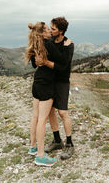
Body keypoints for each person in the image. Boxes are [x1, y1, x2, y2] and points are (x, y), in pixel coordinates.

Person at [24, 21, 67, 167]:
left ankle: (33, 147)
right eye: (47, 29)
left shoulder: (35, 44)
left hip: (37, 82)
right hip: (47, 84)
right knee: (42, 120)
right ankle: (41, 156)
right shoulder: (48, 44)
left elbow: (34, 65)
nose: (49, 31)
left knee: (35, 116)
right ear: (42, 33)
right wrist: (65, 46)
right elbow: (62, 62)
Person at [35, 17, 75, 160]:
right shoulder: (50, 42)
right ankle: (57, 140)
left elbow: (63, 67)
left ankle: (69, 143)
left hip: (62, 82)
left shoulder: (68, 45)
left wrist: (45, 62)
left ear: (61, 31)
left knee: (63, 112)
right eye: (50, 28)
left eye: (53, 29)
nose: (51, 31)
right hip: (50, 81)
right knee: (51, 112)